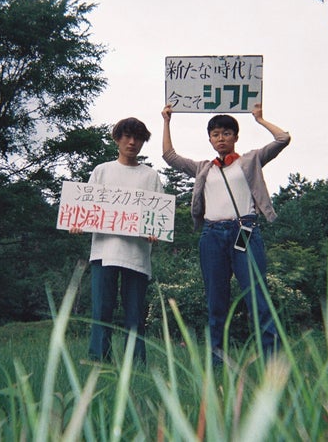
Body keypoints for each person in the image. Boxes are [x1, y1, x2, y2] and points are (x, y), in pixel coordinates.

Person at [161, 103, 290, 362]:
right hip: (212, 235)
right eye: (216, 134)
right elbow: (169, 156)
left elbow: (283, 138)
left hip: (245, 230)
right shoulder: (202, 169)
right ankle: (217, 362)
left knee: (257, 297)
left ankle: (273, 361)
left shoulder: (250, 160)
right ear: (210, 139)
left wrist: (260, 119)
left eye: (227, 133)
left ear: (235, 137)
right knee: (216, 302)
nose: (221, 138)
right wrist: (167, 120)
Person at [71, 117, 163, 364]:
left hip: (137, 255)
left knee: (135, 314)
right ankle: (99, 361)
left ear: (143, 142)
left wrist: (155, 232)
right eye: (126, 136)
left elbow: (160, 219)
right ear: (117, 139)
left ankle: (137, 364)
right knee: (102, 311)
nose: (132, 142)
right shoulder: (102, 171)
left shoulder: (151, 176)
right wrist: (78, 222)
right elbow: (85, 207)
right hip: (104, 251)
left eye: (138, 138)